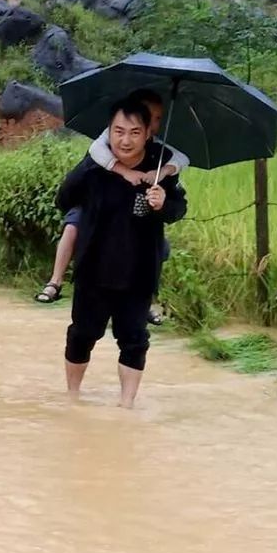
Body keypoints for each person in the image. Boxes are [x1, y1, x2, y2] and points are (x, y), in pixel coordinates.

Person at [56, 95, 187, 408]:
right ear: (108, 131)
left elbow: (177, 210)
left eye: (134, 132)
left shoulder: (160, 167)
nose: (125, 140)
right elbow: (64, 198)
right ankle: (73, 398)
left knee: (134, 340)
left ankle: (126, 406)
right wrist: (94, 166)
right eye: (118, 131)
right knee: (82, 334)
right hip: (93, 268)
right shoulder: (95, 165)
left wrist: (162, 202)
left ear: (148, 134)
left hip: (139, 271)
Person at [35, 89, 190, 307]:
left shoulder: (157, 155)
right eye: (147, 115)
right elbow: (88, 161)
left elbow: (182, 164)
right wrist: (125, 171)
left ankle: (146, 300)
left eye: (157, 119)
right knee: (73, 226)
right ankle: (56, 280)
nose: (154, 123)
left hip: (129, 234)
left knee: (155, 244)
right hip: (92, 211)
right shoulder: (103, 146)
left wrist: (162, 174)